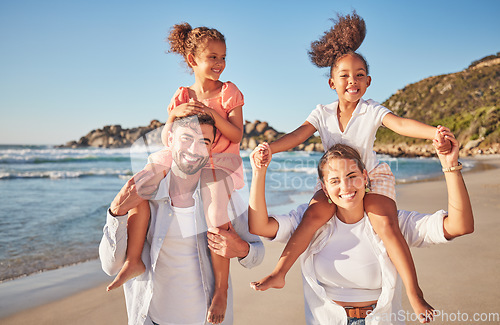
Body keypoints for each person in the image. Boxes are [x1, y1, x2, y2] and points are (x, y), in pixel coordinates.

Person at [251, 11, 451, 319]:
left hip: (370, 177)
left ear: (368, 81)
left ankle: (414, 292)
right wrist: (269, 148)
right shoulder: (322, 113)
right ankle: (280, 271)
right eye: (344, 75)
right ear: (332, 82)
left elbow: (400, 125)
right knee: (315, 213)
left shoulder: (371, 110)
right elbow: (298, 136)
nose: (352, 81)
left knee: (385, 223)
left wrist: (433, 132)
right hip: (336, 180)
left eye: (359, 75)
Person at [248, 133, 473, 324]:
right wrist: (259, 172)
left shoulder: (391, 222)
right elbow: (260, 226)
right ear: (324, 189)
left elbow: (459, 226)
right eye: (334, 181)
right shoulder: (310, 222)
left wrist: (449, 165)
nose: (345, 187)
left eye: (352, 176)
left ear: (365, 178)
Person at [105, 22, 246, 324]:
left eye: (223, 57)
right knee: (142, 187)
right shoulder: (182, 94)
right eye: (212, 57)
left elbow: (236, 135)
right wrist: (172, 116)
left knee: (215, 218)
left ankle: (220, 288)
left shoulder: (229, 92)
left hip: (218, 161)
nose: (219, 64)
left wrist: (210, 116)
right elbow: (166, 137)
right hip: (184, 156)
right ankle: (132, 260)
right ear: (192, 60)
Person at [99, 113, 264, 325]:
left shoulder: (223, 198)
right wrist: (116, 211)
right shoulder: (144, 198)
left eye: (204, 142)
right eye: (186, 138)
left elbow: (257, 251)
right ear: (170, 141)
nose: (195, 149)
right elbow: (111, 267)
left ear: (211, 147)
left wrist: (241, 248)